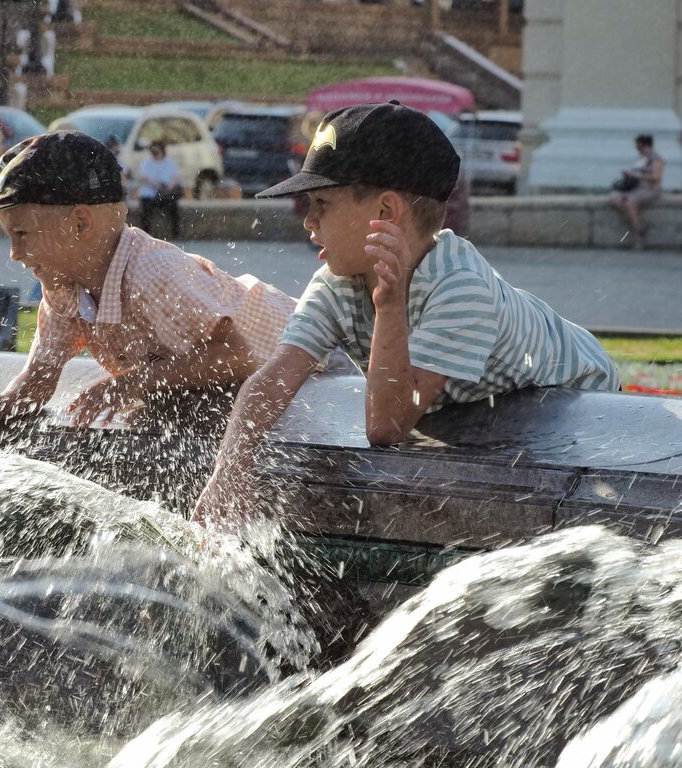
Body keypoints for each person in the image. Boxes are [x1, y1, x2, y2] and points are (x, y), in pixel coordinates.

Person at [193, 102, 619, 524]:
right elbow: (272, 380)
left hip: (580, 392)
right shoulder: (336, 282)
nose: (309, 221)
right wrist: (227, 476)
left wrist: (389, 304)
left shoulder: (460, 288)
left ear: (385, 213)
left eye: (322, 202)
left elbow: (386, 426)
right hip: (484, 402)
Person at [0, 130, 298, 430]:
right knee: (157, 415)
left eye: (22, 234)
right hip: (224, 385)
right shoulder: (63, 290)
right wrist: (2, 403)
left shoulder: (152, 273)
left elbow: (237, 357)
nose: (14, 253)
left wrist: (132, 384)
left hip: (310, 360)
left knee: (162, 414)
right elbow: (40, 376)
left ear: (80, 224)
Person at [610, 134, 664, 249]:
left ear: (643, 144)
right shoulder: (640, 158)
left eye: (637, 144)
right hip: (636, 188)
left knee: (629, 203)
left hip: (649, 189)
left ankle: (639, 233)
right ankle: (637, 224)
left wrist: (635, 176)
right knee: (615, 197)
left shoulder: (656, 158)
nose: (636, 147)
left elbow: (656, 177)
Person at [136, 140, 182, 240]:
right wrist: (156, 185)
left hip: (166, 193)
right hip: (150, 193)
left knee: (174, 208)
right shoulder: (147, 162)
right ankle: (145, 234)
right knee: (146, 209)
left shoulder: (170, 162)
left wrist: (169, 187)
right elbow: (143, 177)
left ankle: (176, 233)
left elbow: (176, 177)